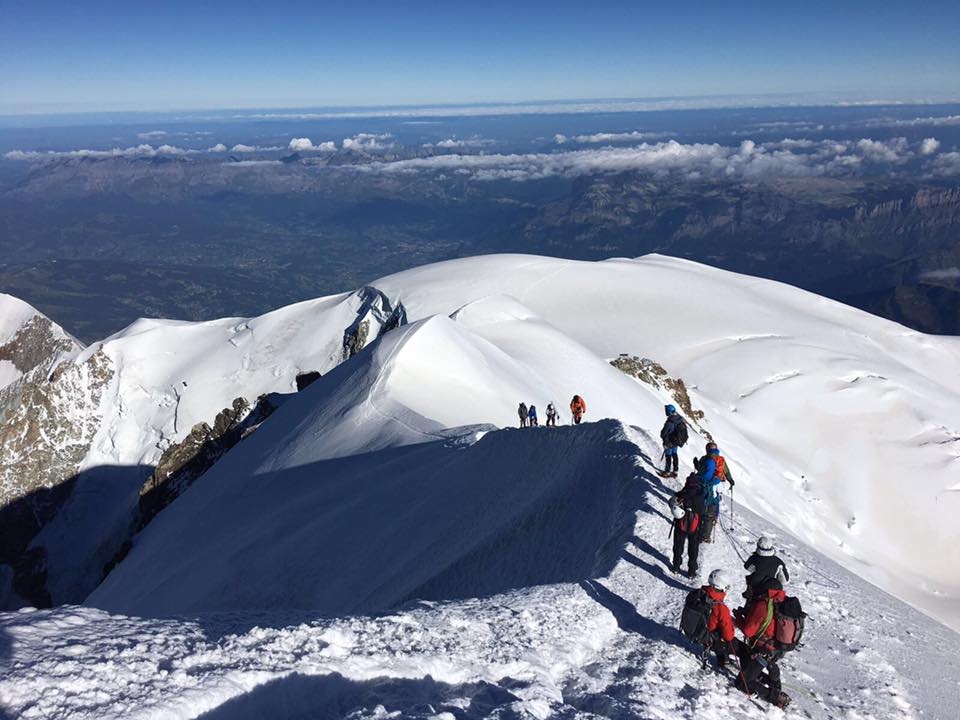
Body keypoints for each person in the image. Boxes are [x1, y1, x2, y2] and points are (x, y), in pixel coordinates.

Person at [734, 578, 791, 708]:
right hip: (777, 649)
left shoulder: (763, 604)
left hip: (762, 650)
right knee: (748, 663)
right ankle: (774, 682)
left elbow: (749, 631)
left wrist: (738, 619)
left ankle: (776, 696)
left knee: (742, 683)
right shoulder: (782, 602)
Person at [670, 471, 705, 578]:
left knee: (678, 545)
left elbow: (673, 499)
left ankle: (676, 566)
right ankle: (691, 571)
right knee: (693, 548)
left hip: (681, 524)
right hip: (695, 526)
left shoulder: (683, 494)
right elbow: (702, 511)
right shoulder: (700, 496)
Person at [696, 442, 733, 543]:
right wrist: (730, 480)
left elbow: (700, 471)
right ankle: (707, 534)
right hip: (717, 484)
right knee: (713, 508)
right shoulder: (720, 460)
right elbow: (726, 471)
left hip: (704, 486)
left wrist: (696, 465)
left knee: (701, 508)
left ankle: (698, 530)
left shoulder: (705, 459)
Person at [702, 570, 737, 667]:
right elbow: (728, 636)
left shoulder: (702, 594)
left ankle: (723, 658)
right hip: (711, 639)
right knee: (736, 645)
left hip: (700, 633)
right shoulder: (721, 607)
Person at [660, 404, 687, 477]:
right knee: (674, 454)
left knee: (668, 456)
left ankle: (667, 472)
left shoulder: (670, 422)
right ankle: (675, 471)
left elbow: (663, 433)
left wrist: (665, 440)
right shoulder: (679, 419)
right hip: (676, 442)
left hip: (669, 442)